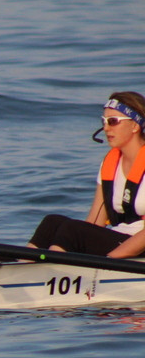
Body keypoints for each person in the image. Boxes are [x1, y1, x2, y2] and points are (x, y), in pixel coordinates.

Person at [28, 92, 145, 257]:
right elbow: (94, 222)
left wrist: (109, 260)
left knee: (73, 230)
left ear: (135, 126)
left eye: (113, 122)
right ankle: (21, 267)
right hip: (120, 238)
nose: (106, 128)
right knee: (52, 223)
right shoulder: (110, 163)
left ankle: (47, 273)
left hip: (139, 246)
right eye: (103, 121)